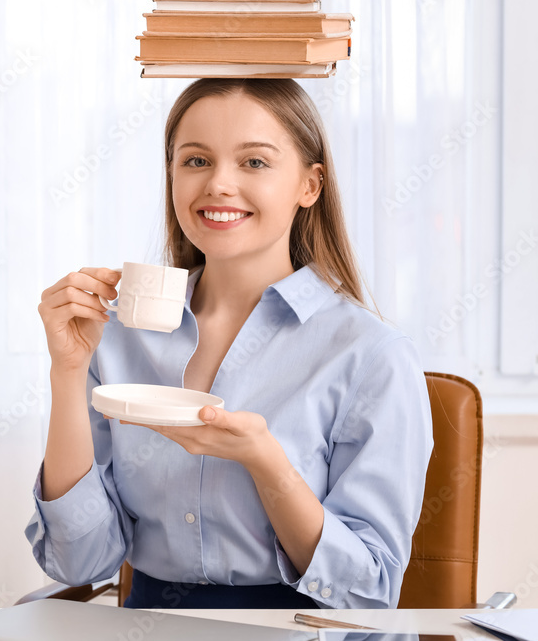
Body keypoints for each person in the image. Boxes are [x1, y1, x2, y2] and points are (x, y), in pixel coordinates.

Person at [25, 78, 433, 609]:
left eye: (254, 163)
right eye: (195, 161)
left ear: (309, 186)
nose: (218, 184)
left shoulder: (371, 356)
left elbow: (368, 589)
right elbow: (80, 563)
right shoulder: (118, 339)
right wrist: (67, 372)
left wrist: (267, 463)